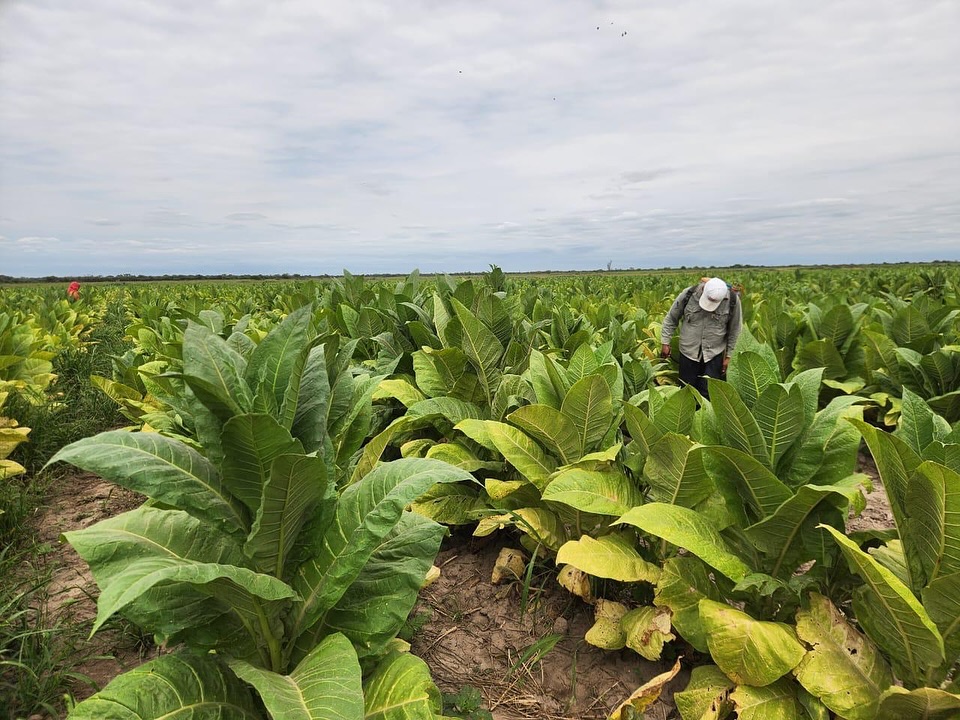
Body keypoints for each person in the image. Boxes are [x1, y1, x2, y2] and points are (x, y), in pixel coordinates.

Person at [660, 277, 742, 398]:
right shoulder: (689, 294)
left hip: (714, 354)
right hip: (688, 352)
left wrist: (730, 356)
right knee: (686, 392)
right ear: (703, 289)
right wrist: (665, 342)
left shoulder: (733, 300)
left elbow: (735, 330)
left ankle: (705, 416)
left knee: (709, 394)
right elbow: (671, 318)